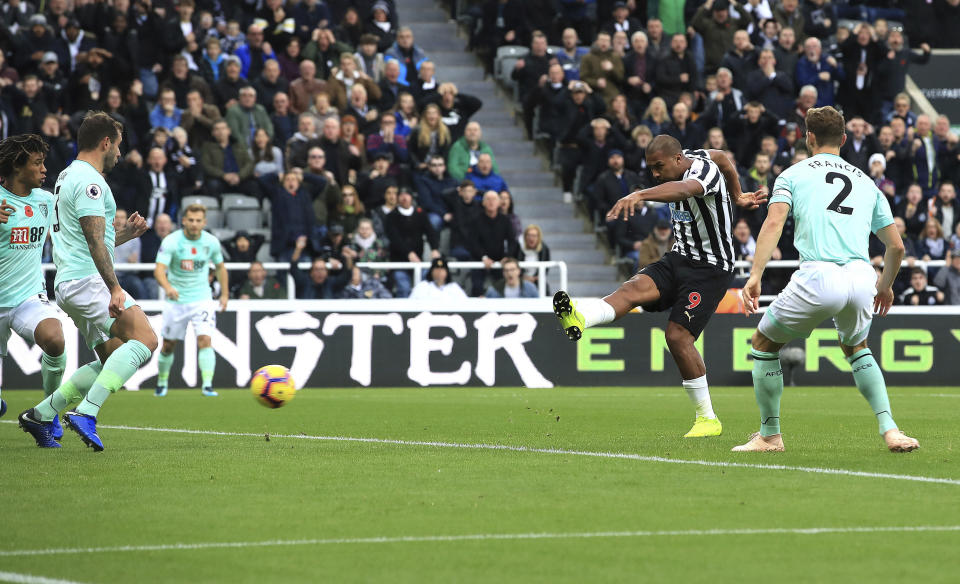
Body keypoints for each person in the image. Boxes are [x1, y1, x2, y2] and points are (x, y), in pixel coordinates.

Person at [735, 105, 919, 453]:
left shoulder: (792, 175)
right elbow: (896, 246)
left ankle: (770, 436)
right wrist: (885, 287)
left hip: (819, 275)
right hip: (862, 277)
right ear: (845, 139)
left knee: (763, 344)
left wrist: (755, 276)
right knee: (856, 348)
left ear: (809, 138)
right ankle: (890, 429)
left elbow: (774, 224)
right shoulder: (867, 182)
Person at [553, 138, 765, 438]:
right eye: (651, 167)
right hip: (679, 257)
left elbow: (687, 187)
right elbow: (721, 155)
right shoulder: (693, 157)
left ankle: (707, 419)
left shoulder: (700, 173)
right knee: (631, 289)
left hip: (711, 268)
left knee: (677, 336)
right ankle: (581, 319)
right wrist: (739, 194)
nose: (654, 173)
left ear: (678, 159)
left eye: (659, 167)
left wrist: (640, 195)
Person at [19, 113, 157, 451]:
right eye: (119, 146)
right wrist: (114, 287)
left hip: (70, 281)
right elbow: (95, 243)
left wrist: (124, 234)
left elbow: (91, 237)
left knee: (112, 358)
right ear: (106, 143)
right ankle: (86, 412)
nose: (120, 155)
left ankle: (41, 413)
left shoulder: (67, 176)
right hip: (88, 281)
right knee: (146, 340)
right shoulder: (90, 181)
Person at [0, 135, 66, 426]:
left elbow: (79, 235)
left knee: (55, 339)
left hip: (28, 296)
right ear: (17, 166)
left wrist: (123, 235)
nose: (44, 170)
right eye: (37, 163)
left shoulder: (46, 200)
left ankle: (48, 414)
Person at [153, 204, 228, 398]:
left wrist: (225, 295)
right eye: (191, 220)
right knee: (168, 345)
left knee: (205, 339)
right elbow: (159, 269)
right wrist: (168, 287)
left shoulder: (211, 242)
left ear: (204, 222)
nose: (194, 224)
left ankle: (208, 385)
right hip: (176, 301)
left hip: (202, 299)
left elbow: (220, 268)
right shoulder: (172, 241)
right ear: (184, 221)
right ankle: (162, 382)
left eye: (198, 221)